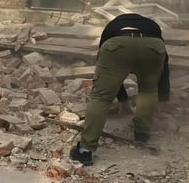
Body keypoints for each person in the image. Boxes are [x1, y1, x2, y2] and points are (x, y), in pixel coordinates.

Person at [70, 13, 170, 166]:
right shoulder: (153, 27)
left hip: (117, 45)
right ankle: (142, 133)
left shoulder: (112, 27)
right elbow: (165, 68)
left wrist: (122, 98)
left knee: (101, 97)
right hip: (153, 46)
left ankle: (85, 151)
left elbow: (107, 69)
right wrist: (164, 96)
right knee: (148, 90)